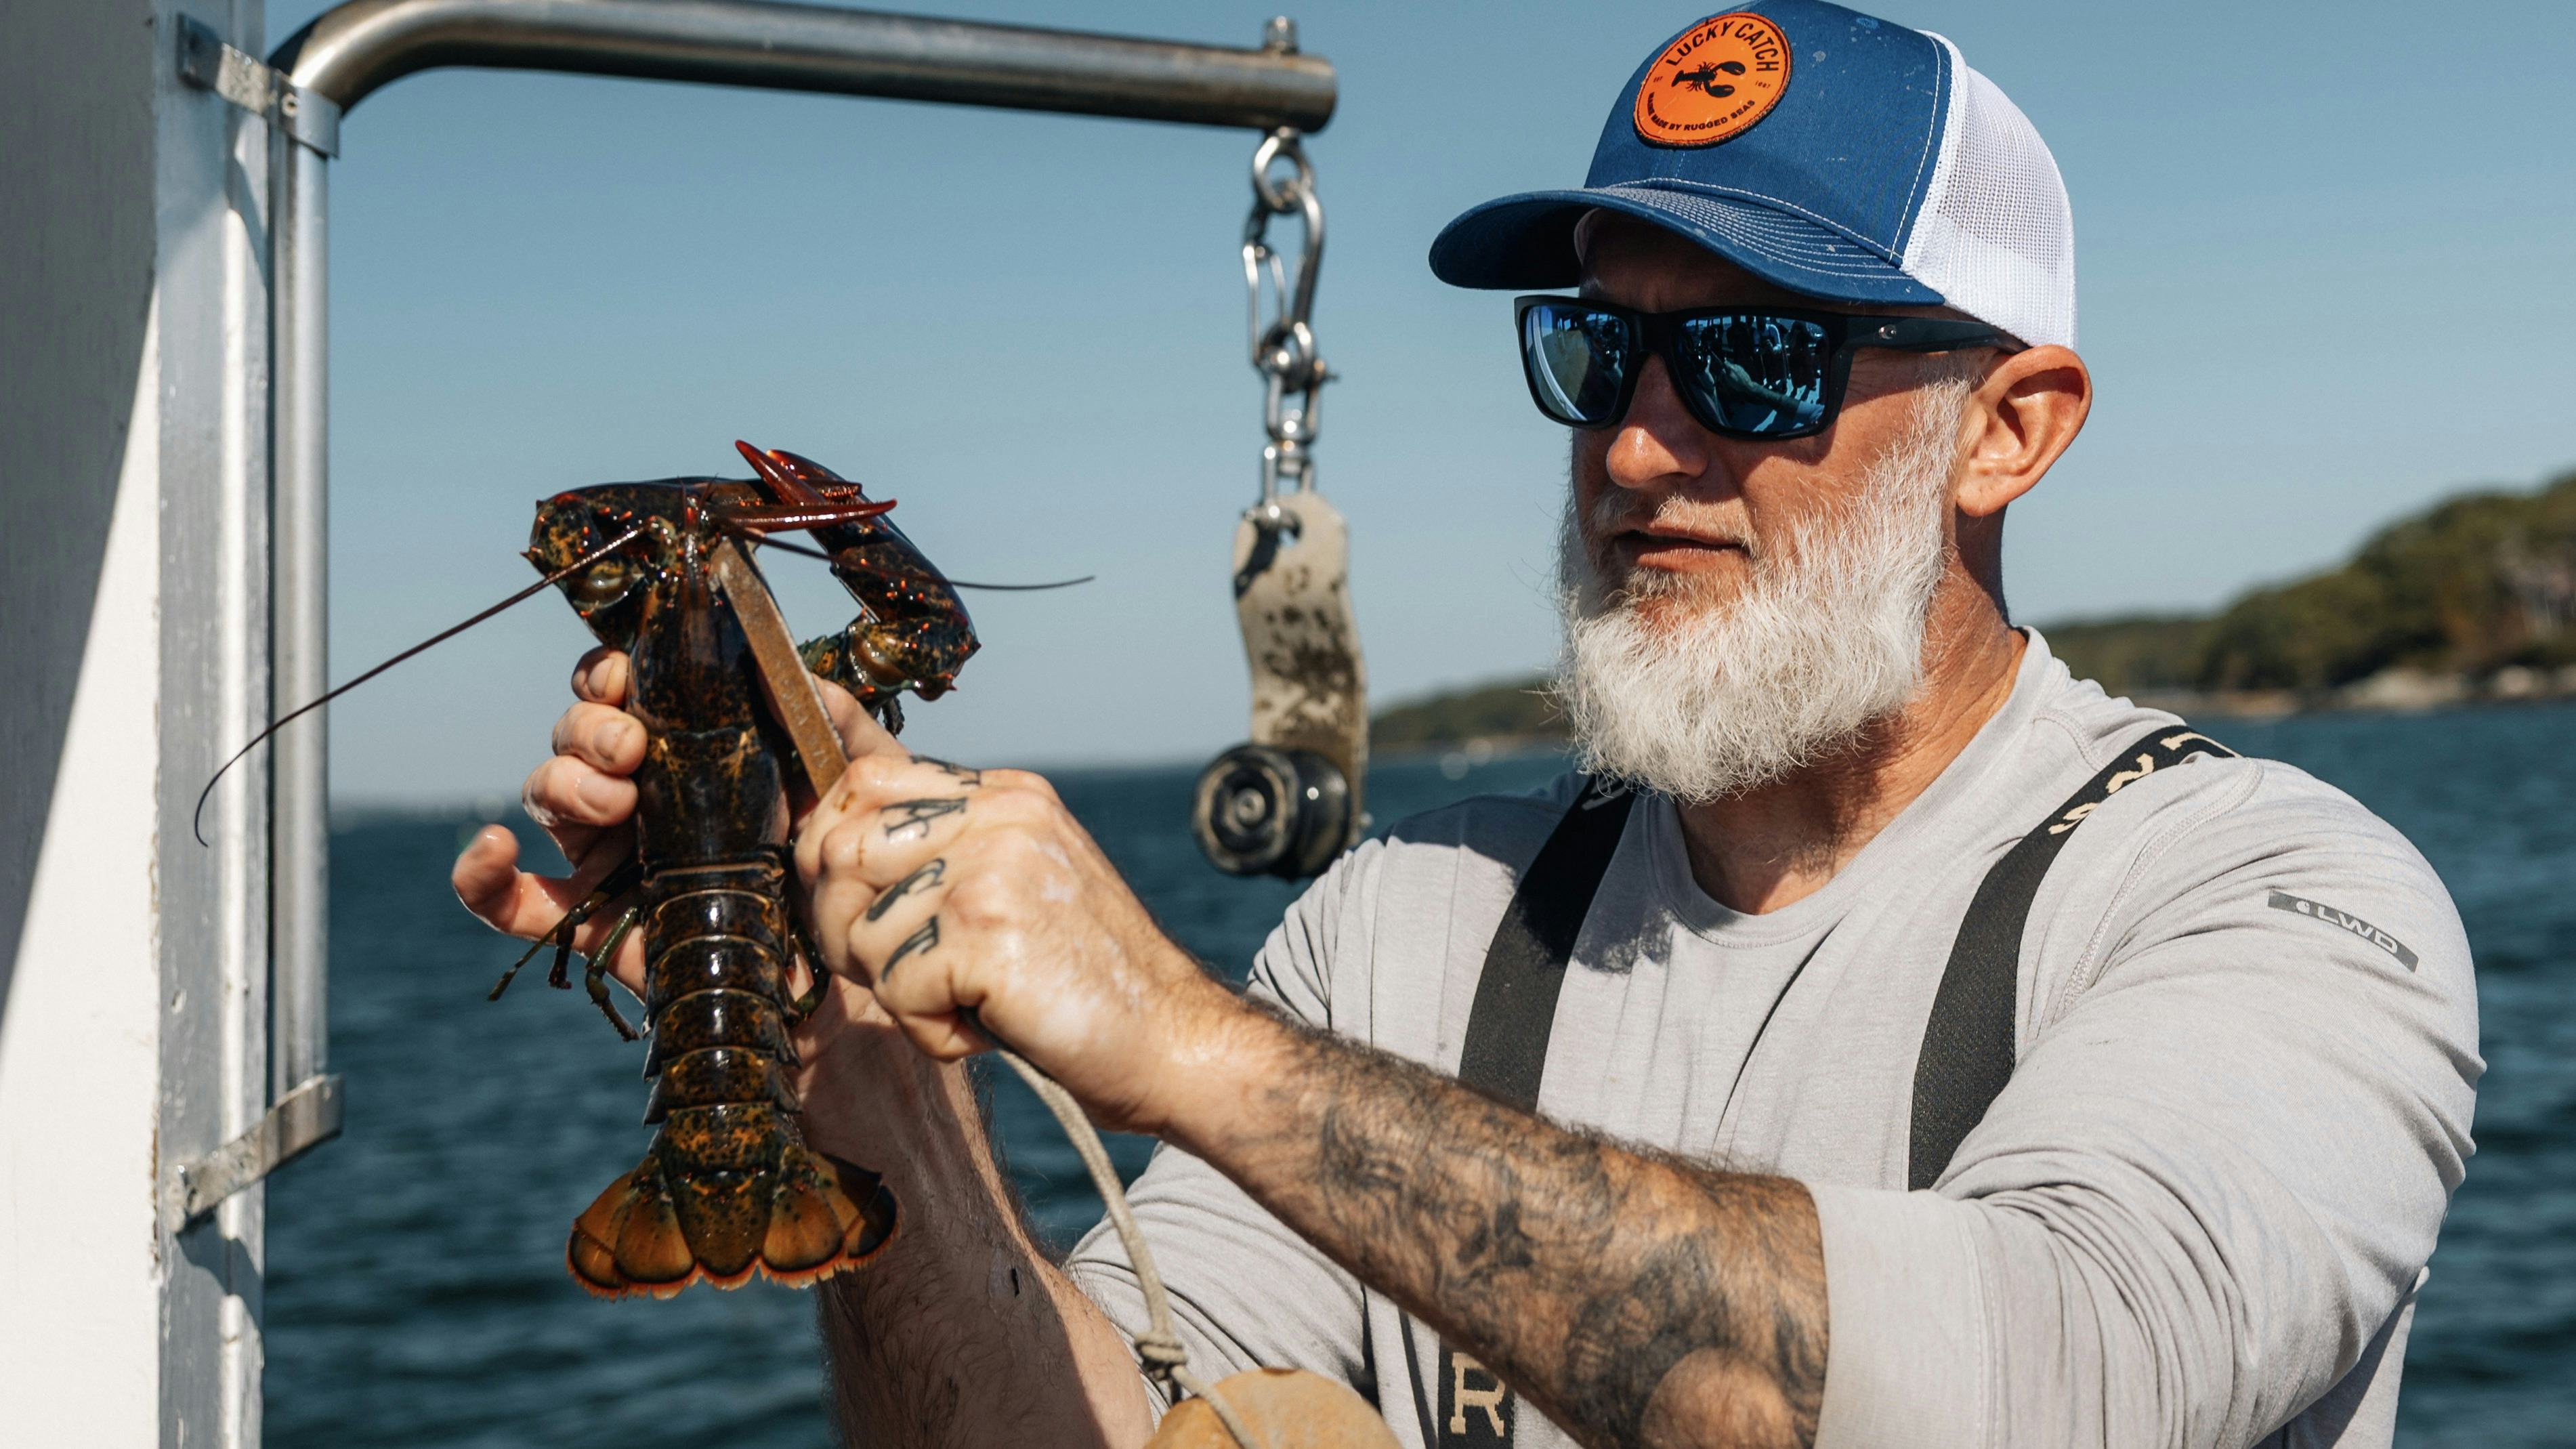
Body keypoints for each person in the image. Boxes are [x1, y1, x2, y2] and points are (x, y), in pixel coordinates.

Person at [454, 5, 2479, 1446]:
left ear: (2007, 429)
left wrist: (1182, 1041)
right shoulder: (1408, 921)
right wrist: (857, 1069)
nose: (1635, 444)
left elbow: (2068, 1380)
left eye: (1752, 360)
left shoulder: (2269, 895)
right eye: (1595, 349)